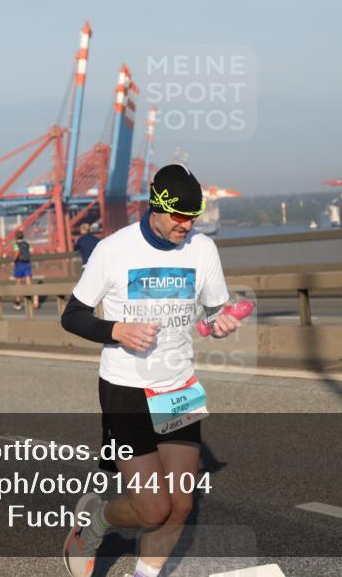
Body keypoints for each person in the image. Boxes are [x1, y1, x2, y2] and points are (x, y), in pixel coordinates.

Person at [60, 164, 241, 577]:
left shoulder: (202, 250)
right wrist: (117, 329)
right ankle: (97, 522)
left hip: (179, 388)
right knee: (153, 507)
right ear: (155, 208)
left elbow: (212, 315)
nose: (187, 224)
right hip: (126, 390)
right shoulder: (114, 250)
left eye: (193, 216)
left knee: (181, 505)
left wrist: (220, 324)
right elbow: (72, 316)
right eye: (178, 216)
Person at [12, 230, 39, 311]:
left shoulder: (16, 244)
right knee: (29, 283)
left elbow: (17, 252)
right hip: (27, 263)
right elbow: (32, 251)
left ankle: (17, 303)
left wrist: (13, 261)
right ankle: (35, 298)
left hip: (19, 264)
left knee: (18, 284)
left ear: (16, 237)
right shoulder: (27, 244)